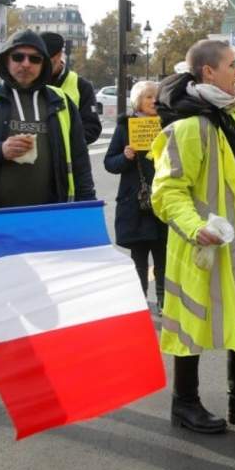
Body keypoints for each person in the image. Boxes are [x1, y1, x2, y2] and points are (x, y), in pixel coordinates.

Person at [0, 29, 95, 416]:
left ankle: (36, 379)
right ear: (5, 60)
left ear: (45, 64)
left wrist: (85, 215)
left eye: (34, 58)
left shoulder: (60, 102)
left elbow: (79, 159)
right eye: (18, 57)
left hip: (44, 222)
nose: (25, 64)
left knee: (42, 303)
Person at [151, 39, 235, 434]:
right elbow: (168, 191)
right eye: (232, 65)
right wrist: (196, 229)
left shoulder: (224, 116)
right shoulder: (188, 127)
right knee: (189, 321)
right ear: (208, 72)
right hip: (203, 245)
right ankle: (185, 403)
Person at [104, 80, 166, 311]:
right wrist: (125, 157)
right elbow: (110, 163)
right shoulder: (125, 127)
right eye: (148, 97)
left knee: (163, 256)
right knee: (139, 257)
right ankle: (140, 299)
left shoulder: (167, 125)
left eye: (156, 97)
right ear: (138, 101)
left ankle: (163, 300)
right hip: (135, 201)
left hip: (162, 198)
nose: (153, 101)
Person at [40, 31, 102, 146]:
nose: (44, 66)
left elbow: (92, 129)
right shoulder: (29, 82)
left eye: (48, 61)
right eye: (39, 60)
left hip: (69, 160)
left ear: (59, 55)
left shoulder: (81, 86)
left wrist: (58, 140)